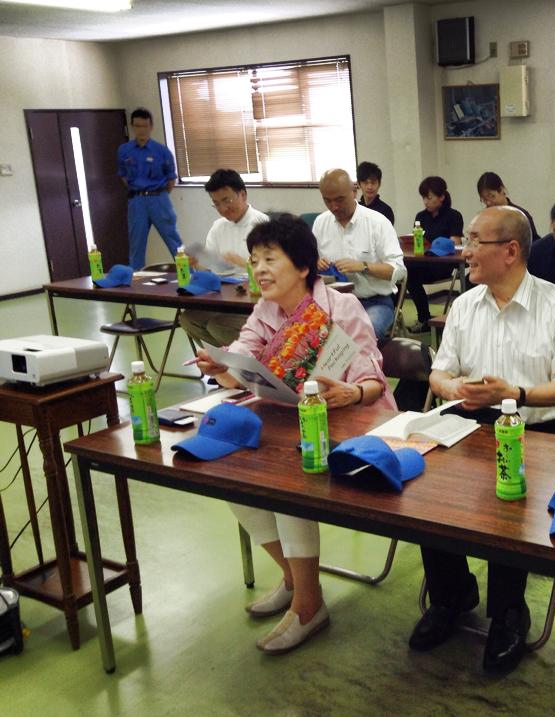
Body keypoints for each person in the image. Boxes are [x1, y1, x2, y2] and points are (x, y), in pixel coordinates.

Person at [409, 205, 555, 674]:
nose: (464, 250)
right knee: (427, 492)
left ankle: (508, 612)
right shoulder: (464, 305)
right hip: (471, 418)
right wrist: (452, 388)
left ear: (510, 251)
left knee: (510, 507)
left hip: (542, 426)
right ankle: (451, 597)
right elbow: (440, 370)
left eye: (475, 241)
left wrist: (514, 394)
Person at [196, 214, 396, 655]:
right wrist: (223, 364)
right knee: (229, 476)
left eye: (271, 259)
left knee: (286, 480)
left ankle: (308, 605)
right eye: (254, 260)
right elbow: (244, 356)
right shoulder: (265, 310)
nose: (260, 270)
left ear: (303, 266)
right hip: (291, 422)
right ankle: (294, 580)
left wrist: (352, 392)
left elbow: (373, 379)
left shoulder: (339, 309)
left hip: (356, 427)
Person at [312, 168, 406, 342]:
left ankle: (362, 369)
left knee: (359, 336)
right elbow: (308, 266)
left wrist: (364, 266)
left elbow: (399, 271)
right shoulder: (320, 223)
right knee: (307, 337)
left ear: (354, 191)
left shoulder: (377, 223)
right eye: (328, 201)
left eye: (340, 199)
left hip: (375, 301)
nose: (334, 206)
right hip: (332, 303)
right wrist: (316, 264)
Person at [180, 169, 269, 347]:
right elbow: (212, 270)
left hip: (257, 301)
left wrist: (243, 263)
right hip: (225, 298)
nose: (223, 209)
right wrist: (198, 263)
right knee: (188, 318)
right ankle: (226, 363)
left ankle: (244, 364)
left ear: (243, 195)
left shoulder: (262, 224)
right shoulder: (218, 227)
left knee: (218, 326)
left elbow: (274, 271)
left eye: (226, 200)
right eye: (216, 204)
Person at [117, 107, 183, 269]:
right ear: (132, 127)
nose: (141, 130)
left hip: (159, 199)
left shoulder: (162, 151)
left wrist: (157, 195)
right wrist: (140, 193)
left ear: (151, 126)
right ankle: (137, 280)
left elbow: (171, 180)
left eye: (145, 126)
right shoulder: (124, 150)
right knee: (136, 244)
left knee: (174, 240)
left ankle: (189, 275)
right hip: (137, 200)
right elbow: (123, 176)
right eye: (138, 126)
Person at [406, 176, 465, 333]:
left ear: (441, 197)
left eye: (429, 197)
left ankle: (425, 318)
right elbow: (416, 242)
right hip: (423, 262)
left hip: (443, 265)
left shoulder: (454, 216)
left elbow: (455, 243)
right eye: (424, 197)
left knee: (410, 276)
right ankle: (423, 318)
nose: (426, 201)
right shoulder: (421, 217)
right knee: (403, 273)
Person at [476, 171, 540, 241]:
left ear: (501, 190)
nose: (488, 203)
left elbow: (534, 244)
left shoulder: (520, 216)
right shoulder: (484, 218)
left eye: (492, 196)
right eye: (484, 199)